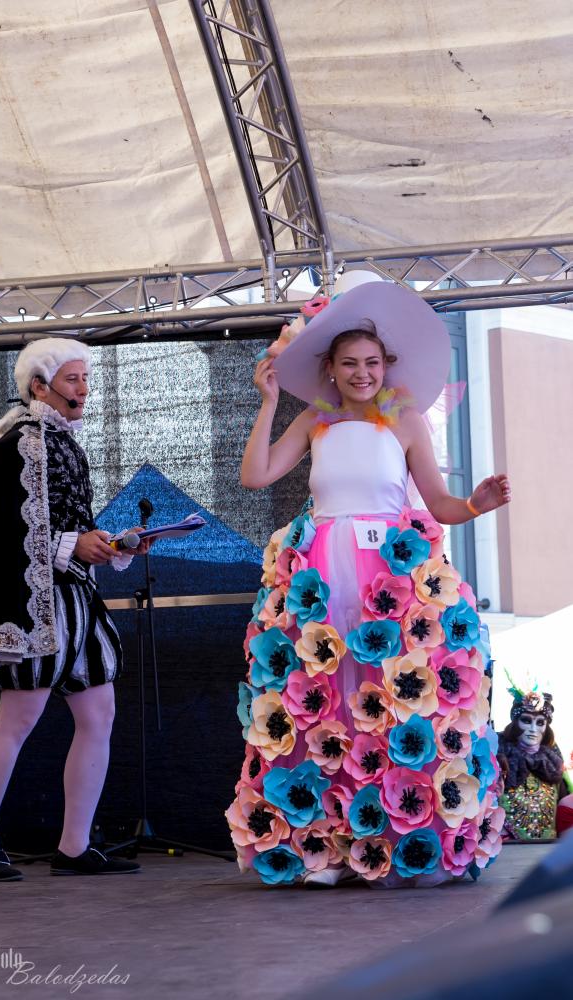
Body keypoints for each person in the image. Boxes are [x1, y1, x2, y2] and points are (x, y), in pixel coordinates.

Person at [226, 275, 511, 887]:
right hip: (323, 573)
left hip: (391, 572)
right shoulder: (315, 421)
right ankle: (327, 849)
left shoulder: (406, 421)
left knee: (387, 698)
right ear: (330, 369)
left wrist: (476, 503)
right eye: (350, 363)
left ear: (387, 367)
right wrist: (269, 402)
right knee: (327, 700)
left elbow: (440, 504)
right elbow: (255, 475)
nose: (362, 373)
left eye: (372, 363)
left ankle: (388, 842)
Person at [0, 338, 147, 881]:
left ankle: (75, 846)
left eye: (85, 378)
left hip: (77, 600)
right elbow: (2, 530)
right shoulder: (18, 445)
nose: (84, 389)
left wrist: (112, 543)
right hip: (36, 603)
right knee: (17, 719)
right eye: (72, 379)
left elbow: (70, 524)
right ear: (40, 386)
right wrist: (73, 544)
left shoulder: (67, 445)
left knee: (99, 715)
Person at [498, 689, 565, 840]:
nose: (533, 730)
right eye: (526, 721)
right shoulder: (499, 757)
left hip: (548, 850)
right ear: (516, 723)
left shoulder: (553, 764)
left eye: (540, 723)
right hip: (507, 850)